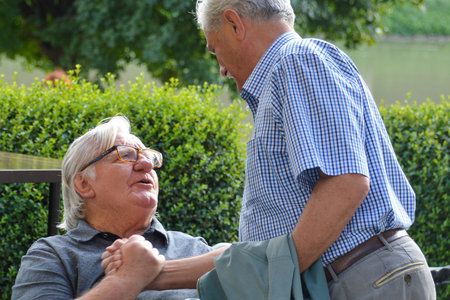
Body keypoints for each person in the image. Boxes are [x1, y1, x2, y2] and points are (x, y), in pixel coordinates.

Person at [192, 0, 436, 299]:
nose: (222, 70)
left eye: (215, 49)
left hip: (360, 277)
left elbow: (345, 183)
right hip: (357, 276)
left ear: (234, 23)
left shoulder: (295, 60)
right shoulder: (290, 68)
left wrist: (276, 280)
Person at [12, 116, 226, 300]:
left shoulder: (194, 249)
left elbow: (253, 265)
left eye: (149, 157)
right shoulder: (54, 256)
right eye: (125, 154)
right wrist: (128, 277)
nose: (148, 165)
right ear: (84, 184)